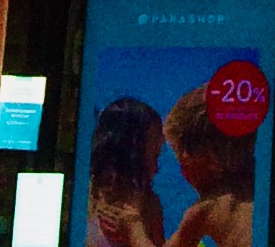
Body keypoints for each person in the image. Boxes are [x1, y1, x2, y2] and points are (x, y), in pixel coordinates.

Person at [160, 93, 253, 247]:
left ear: (206, 157)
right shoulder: (263, 189)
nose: (183, 174)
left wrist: (133, 225)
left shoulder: (207, 208)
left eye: (182, 161)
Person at [85, 99, 165, 247]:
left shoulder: (149, 205)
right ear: (130, 155)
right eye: (153, 156)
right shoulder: (82, 200)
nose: (156, 168)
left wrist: (134, 225)